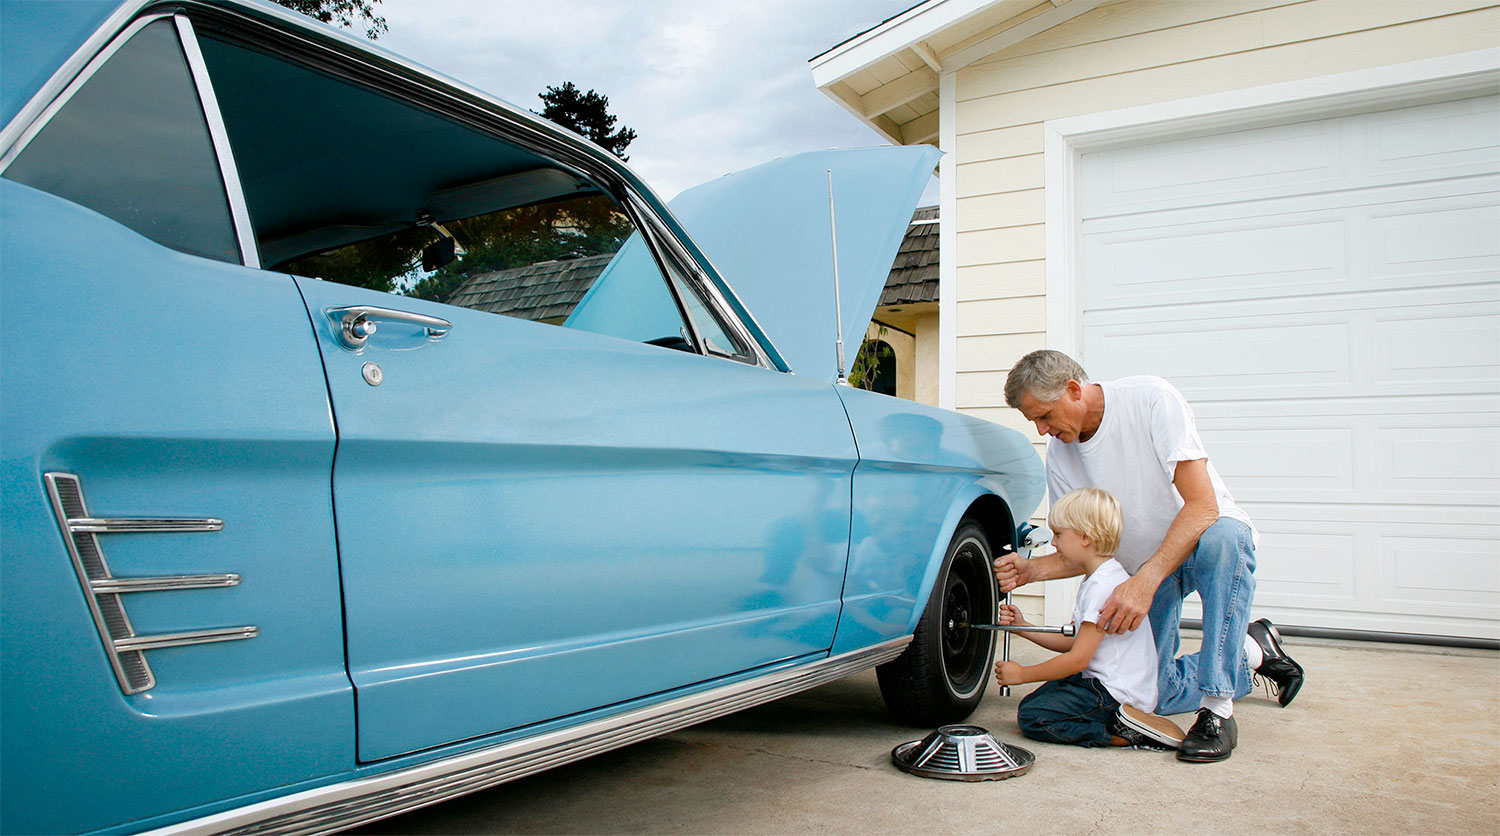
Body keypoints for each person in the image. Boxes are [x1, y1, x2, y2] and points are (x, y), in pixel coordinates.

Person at [995, 350, 1304, 763]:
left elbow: (1202, 506)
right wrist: (1031, 570)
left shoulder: (1150, 399)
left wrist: (1145, 581)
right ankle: (1252, 652)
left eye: (1045, 416)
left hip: (1199, 543)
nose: (1042, 429)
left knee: (1226, 538)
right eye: (1033, 421)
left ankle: (1217, 712)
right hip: (1142, 567)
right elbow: (1083, 547)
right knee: (1150, 692)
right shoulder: (1062, 455)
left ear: (1073, 389)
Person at [995, 487, 1186, 751]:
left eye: (1059, 535)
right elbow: (1073, 643)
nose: (1054, 544)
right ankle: (1121, 721)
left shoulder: (1101, 586)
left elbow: (1077, 659)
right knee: (1036, 701)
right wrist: (1023, 627)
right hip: (1103, 682)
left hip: (1114, 693)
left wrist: (1023, 674)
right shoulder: (1101, 577)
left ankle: (1124, 733)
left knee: (1033, 716)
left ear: (1085, 537)